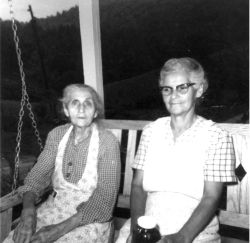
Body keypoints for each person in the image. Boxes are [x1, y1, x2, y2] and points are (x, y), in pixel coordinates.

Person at [116, 57, 236, 243]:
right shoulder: (151, 131)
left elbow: (211, 197)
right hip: (148, 220)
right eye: (167, 89)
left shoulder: (216, 136)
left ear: (199, 89)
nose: (173, 96)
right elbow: (138, 186)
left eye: (182, 88)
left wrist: (182, 237)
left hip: (194, 228)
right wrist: (136, 230)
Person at [4, 84, 121, 243]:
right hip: (54, 209)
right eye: (75, 103)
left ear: (95, 112)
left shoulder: (107, 142)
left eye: (88, 103)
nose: (81, 109)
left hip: (90, 219)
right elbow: (36, 178)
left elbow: (104, 199)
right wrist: (28, 213)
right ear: (66, 110)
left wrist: (58, 230)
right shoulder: (57, 135)